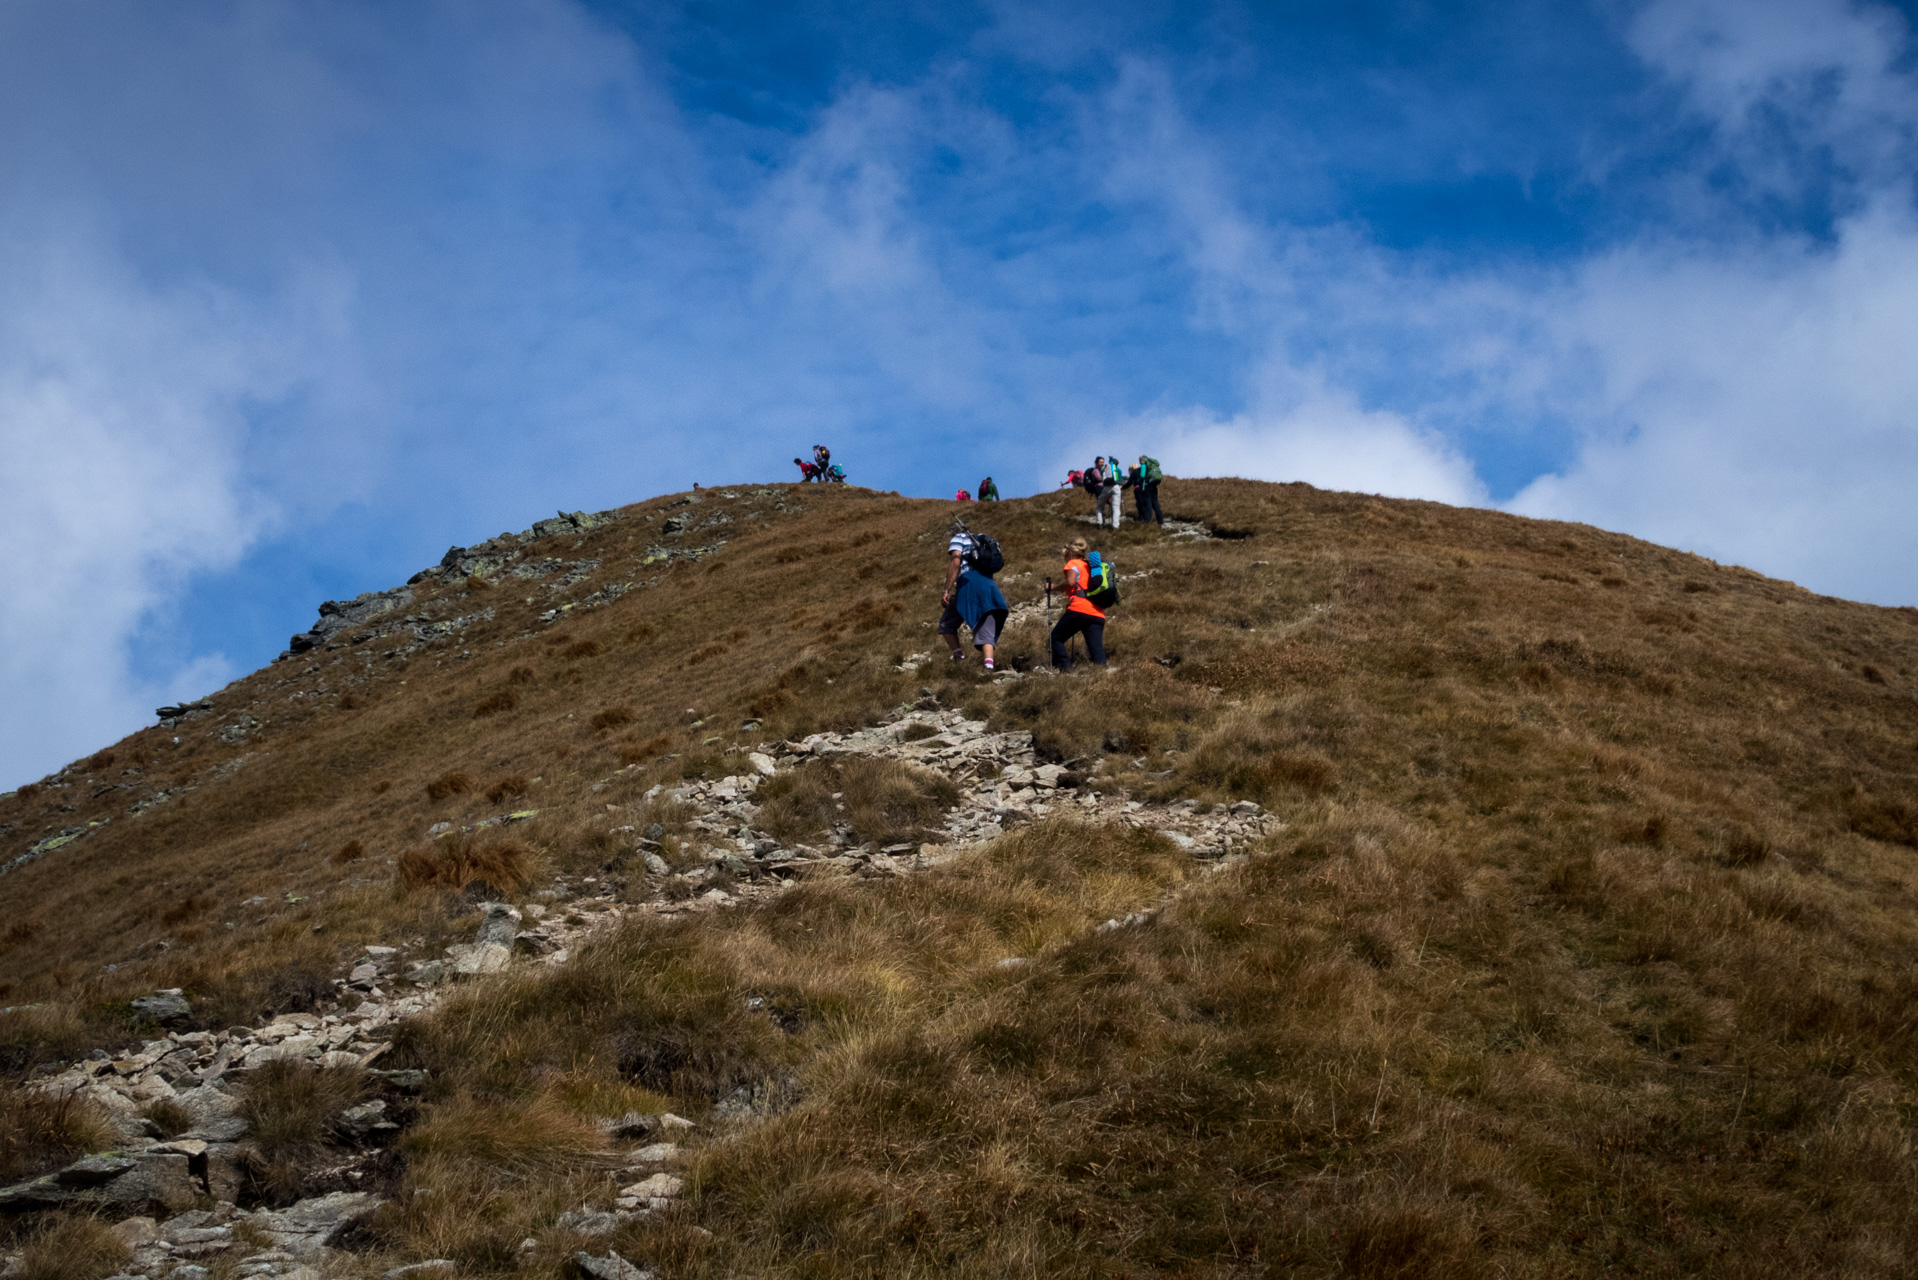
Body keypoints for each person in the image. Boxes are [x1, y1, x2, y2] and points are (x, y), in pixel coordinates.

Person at [940, 517, 1008, 671]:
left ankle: (959, 656)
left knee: (946, 623)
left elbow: (956, 561)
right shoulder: (983, 540)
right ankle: (988, 665)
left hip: (968, 584)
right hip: (989, 586)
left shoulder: (959, 538)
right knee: (985, 622)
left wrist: (946, 590)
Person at [1050, 536, 1107, 670]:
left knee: (1056, 638)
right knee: (1096, 649)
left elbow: (1070, 582)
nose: (1065, 559)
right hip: (1097, 612)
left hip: (1079, 609)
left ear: (1070, 553)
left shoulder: (1073, 563)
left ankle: (1066, 670)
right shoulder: (1091, 566)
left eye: (1065, 555)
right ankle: (1102, 675)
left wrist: (1052, 588)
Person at [1135, 454, 1164, 524]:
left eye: (1140, 461)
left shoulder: (1144, 464)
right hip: (1154, 485)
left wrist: (1138, 481)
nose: (1140, 462)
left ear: (1142, 460)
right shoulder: (1153, 463)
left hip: (1147, 486)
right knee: (1155, 502)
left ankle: (1147, 519)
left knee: (1148, 502)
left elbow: (1142, 475)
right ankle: (1160, 519)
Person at [1094, 457, 1122, 528]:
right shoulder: (1118, 470)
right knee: (1116, 508)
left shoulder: (1104, 469)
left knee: (1099, 507)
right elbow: (1120, 481)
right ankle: (1115, 526)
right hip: (1116, 487)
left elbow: (1102, 478)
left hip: (1106, 488)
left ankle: (1099, 523)